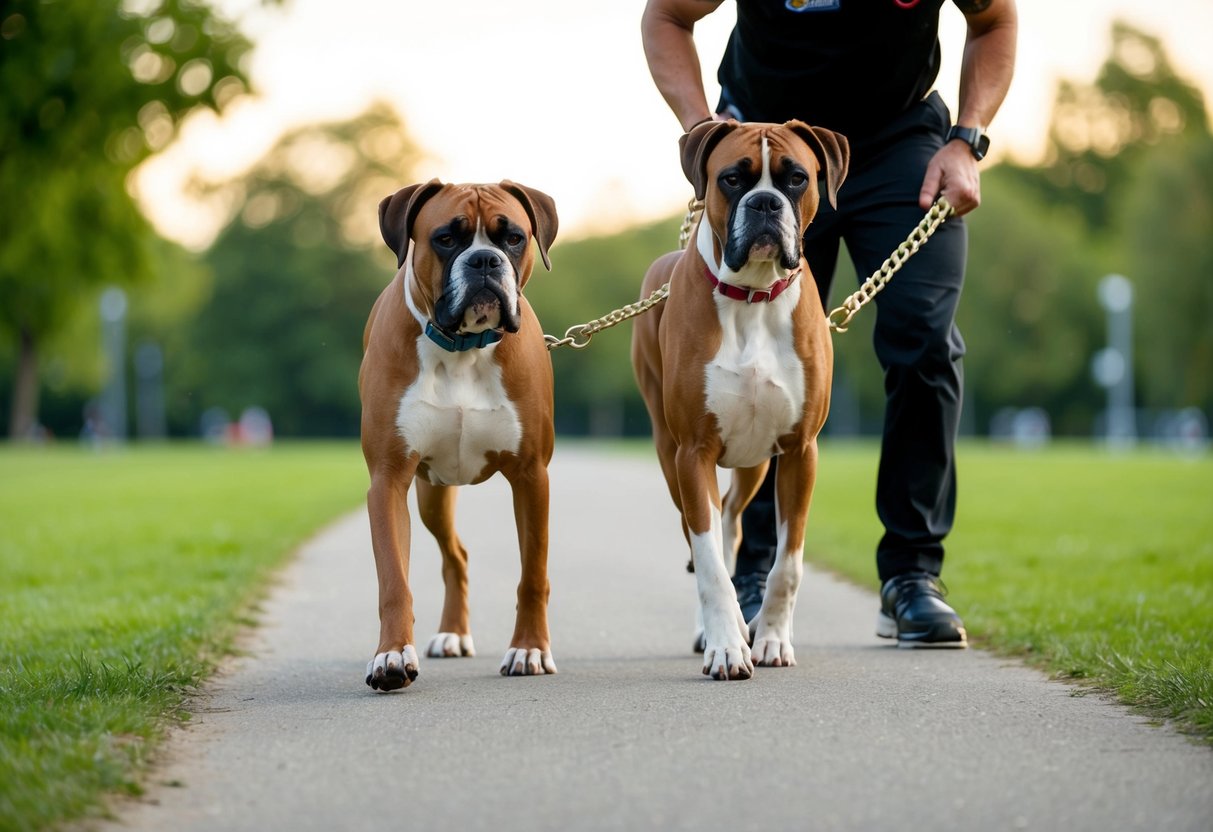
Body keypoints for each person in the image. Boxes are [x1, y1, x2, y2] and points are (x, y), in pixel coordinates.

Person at [641, 0, 1017, 646]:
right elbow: (666, 15)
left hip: (899, 142)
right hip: (761, 145)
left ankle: (910, 574)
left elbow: (994, 21)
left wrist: (967, 137)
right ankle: (751, 569)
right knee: (749, 364)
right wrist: (702, 128)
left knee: (922, 339)